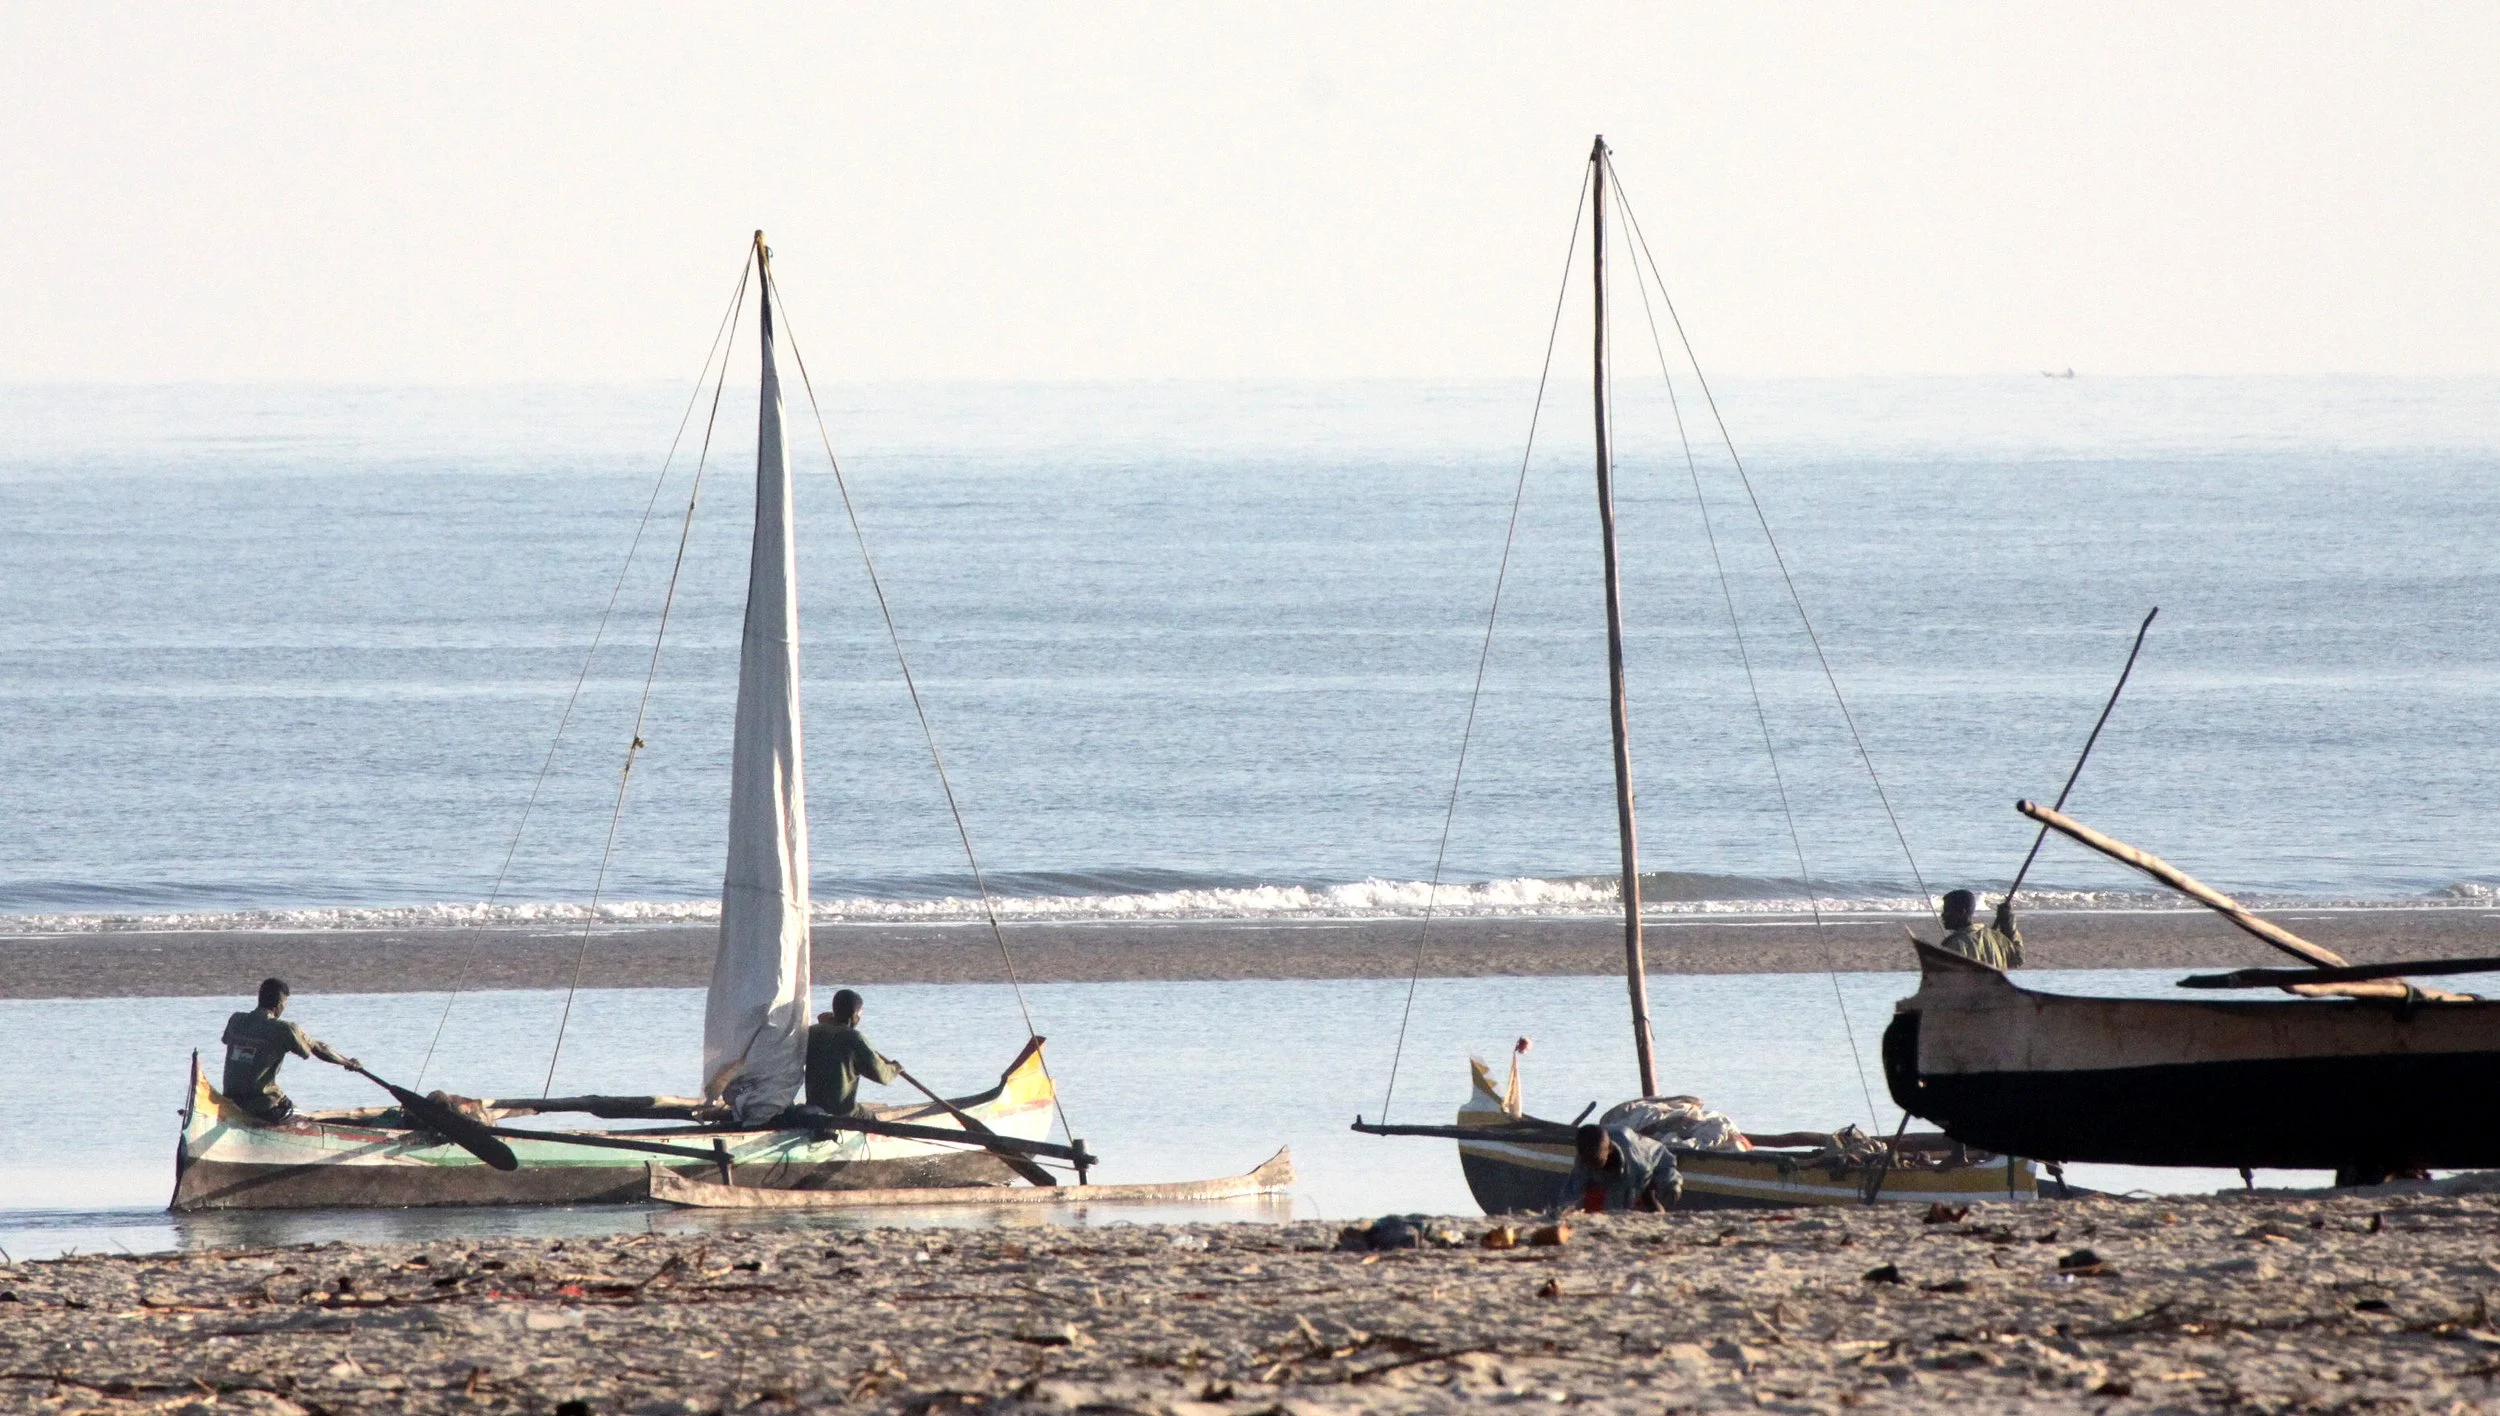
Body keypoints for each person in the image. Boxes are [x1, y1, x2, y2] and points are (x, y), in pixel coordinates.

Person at [220, 978, 356, 1122]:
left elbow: (227, 1041)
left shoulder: (235, 1020)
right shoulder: (284, 1029)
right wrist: (348, 1062)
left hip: (231, 1101)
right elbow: (318, 1048)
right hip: (266, 1107)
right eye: (285, 1005)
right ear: (280, 1005)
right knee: (306, 1120)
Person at [804, 989, 899, 1117]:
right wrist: (895, 1068)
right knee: (871, 1117)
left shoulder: (813, 1032)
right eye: (860, 1014)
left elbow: (823, 1018)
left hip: (813, 1106)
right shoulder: (854, 1039)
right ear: (855, 1014)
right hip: (842, 1111)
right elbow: (882, 1076)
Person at [1555, 1123, 1682, 1213]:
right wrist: (1562, 1211)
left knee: (1650, 1198)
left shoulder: (1635, 1165)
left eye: (1595, 1162)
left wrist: (1671, 1184)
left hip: (1656, 1161)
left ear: (1610, 1149)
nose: (1590, 1166)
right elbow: (1571, 1191)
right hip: (1620, 1166)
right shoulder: (1585, 1158)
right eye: (1586, 1161)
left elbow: (1623, 1206)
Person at [1937, 888, 2024, 969]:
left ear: (1961, 913)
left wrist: (2006, 921)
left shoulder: (1956, 944)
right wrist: (2008, 923)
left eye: (1947, 910)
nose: (1943, 915)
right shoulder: (1995, 937)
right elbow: (2017, 957)